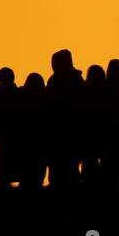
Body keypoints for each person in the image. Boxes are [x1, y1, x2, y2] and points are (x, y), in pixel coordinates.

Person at [45, 49, 85, 187]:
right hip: (62, 128)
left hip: (67, 128)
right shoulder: (74, 79)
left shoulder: (61, 80)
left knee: (66, 161)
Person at [17, 73, 48, 188]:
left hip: (25, 137)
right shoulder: (45, 96)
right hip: (41, 137)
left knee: (26, 163)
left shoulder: (21, 95)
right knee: (40, 163)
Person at [0, 67, 21, 187]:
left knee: (2, 159)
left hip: (0, 134)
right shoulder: (18, 93)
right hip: (13, 133)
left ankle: (3, 182)